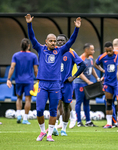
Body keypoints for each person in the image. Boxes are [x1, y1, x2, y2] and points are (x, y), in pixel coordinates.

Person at [25, 14, 81, 142]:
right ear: (46, 41)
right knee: (39, 109)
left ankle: (49, 134)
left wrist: (76, 28)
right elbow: (32, 37)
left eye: (55, 41)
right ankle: (42, 131)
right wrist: (29, 24)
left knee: (53, 110)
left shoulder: (60, 51)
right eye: (51, 41)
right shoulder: (40, 49)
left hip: (55, 84)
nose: (53, 43)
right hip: (43, 84)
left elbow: (71, 41)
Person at [52, 34, 86, 136]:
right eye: (58, 40)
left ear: (67, 42)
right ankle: (53, 127)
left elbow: (82, 65)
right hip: (56, 84)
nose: (60, 42)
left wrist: (74, 77)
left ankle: (64, 129)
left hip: (67, 84)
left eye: (62, 40)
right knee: (57, 105)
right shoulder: (53, 51)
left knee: (66, 106)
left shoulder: (71, 52)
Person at [7, 38, 38, 125]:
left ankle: (19, 115)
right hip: (29, 81)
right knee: (28, 99)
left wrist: (8, 79)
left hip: (19, 81)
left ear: (21, 46)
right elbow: (36, 70)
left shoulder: (16, 55)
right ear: (29, 46)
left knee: (19, 98)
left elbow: (12, 67)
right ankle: (25, 119)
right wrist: (39, 80)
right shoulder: (33, 56)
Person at [74, 43, 100, 127]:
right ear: (86, 50)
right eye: (92, 49)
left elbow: (92, 68)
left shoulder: (91, 58)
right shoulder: (81, 59)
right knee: (79, 102)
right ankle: (78, 122)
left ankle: (88, 121)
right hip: (80, 84)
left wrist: (97, 77)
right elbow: (80, 74)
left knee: (86, 102)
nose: (93, 51)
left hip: (86, 83)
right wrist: (88, 82)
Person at [94, 41, 118, 128]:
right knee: (108, 102)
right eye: (107, 51)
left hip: (117, 82)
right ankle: (109, 123)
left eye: (110, 50)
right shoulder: (103, 57)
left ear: (113, 48)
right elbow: (95, 64)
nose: (108, 52)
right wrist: (103, 71)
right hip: (108, 82)